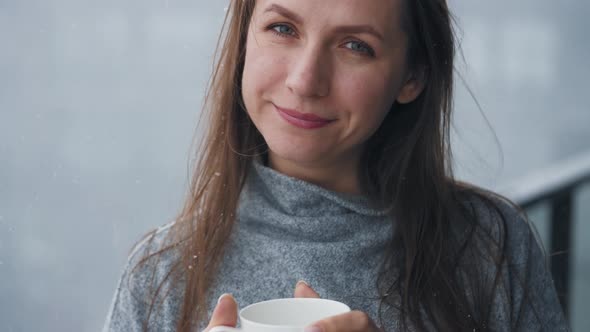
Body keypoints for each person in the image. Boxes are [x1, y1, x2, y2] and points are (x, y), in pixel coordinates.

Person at [102, 0, 569, 331]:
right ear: (246, 36)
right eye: (282, 28)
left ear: (413, 75)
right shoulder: (161, 275)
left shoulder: (488, 245)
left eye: (355, 46)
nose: (305, 81)